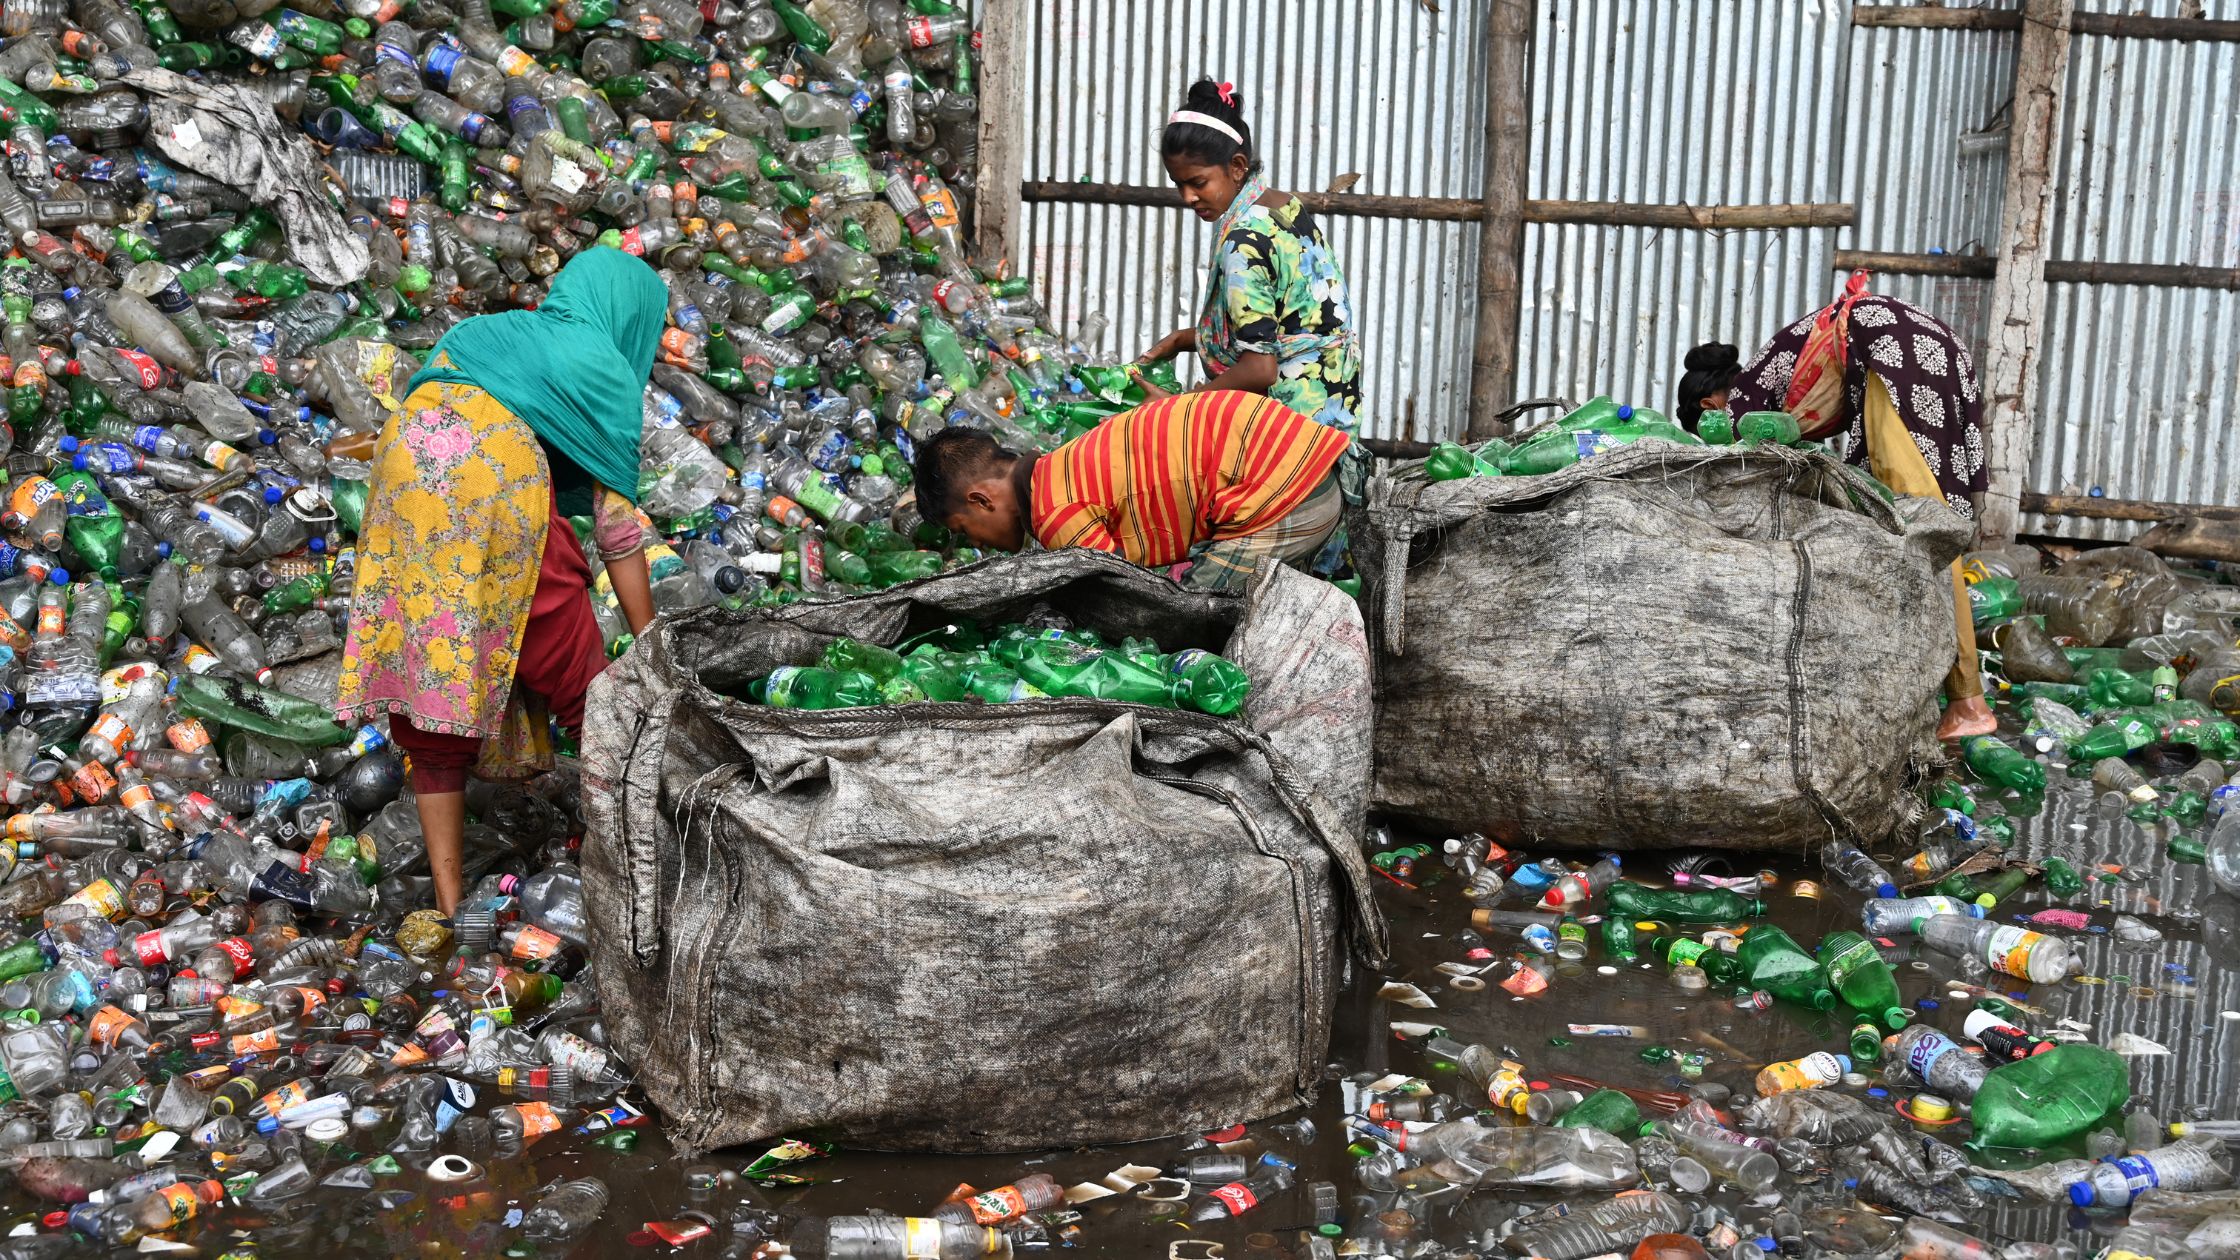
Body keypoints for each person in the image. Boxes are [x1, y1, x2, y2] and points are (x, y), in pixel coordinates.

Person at [336, 248, 664, 915]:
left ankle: (452, 904)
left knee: (434, 659)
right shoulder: (600, 368)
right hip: (490, 484)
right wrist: (652, 640)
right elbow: (618, 531)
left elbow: (428, 395)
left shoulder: (491, 331)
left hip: (405, 482)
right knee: (585, 685)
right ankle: (635, 873)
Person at [1688, 271, 1995, 740]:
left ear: (1709, 404)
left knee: (1919, 526)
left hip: (1893, 355)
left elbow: (1749, 478)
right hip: (1921, 345)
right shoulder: (1769, 372)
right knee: (1907, 518)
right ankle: (1943, 687)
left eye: (1704, 424)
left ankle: (1967, 701)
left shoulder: (1740, 408)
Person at [1134, 78, 1365, 499]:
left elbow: (1260, 369)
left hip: (1294, 434)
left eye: (1198, 183)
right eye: (1178, 184)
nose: (1187, 197)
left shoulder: (1243, 239)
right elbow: (1294, 318)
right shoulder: (1281, 206)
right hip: (1333, 410)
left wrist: (1176, 408)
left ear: (1237, 167)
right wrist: (1188, 339)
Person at [914, 391, 1348, 592]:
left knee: (1189, 612)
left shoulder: (1053, 511)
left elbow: (1120, 591)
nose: (975, 543)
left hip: (1289, 494)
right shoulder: (1060, 466)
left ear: (981, 500)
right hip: (1306, 465)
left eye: (964, 530)